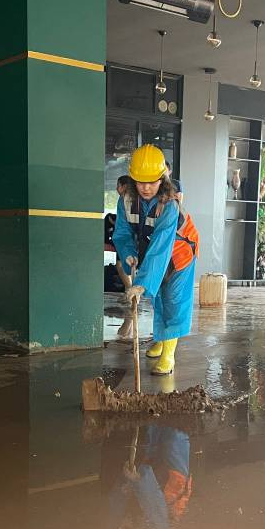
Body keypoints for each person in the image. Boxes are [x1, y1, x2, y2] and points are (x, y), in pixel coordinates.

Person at [112, 145, 199, 376]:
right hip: (152, 251)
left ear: (162, 179)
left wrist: (141, 283)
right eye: (141, 182)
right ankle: (161, 340)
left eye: (152, 181)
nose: (146, 187)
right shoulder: (126, 200)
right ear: (133, 179)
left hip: (179, 254)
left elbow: (161, 247)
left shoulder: (169, 205)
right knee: (158, 298)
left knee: (172, 299)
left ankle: (169, 354)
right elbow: (122, 232)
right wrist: (128, 252)